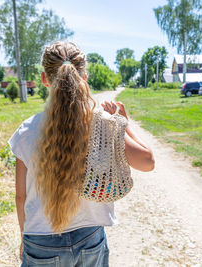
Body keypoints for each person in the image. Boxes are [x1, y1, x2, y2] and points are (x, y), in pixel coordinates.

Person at [8, 41, 154, 267]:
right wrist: (124, 122)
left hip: (39, 242)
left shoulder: (26, 131)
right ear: (83, 77)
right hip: (89, 240)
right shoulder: (102, 123)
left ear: (45, 79)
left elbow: (20, 196)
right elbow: (147, 162)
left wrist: (23, 239)